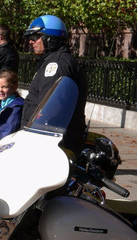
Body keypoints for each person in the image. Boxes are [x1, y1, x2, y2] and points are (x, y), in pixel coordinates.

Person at [21, 15, 88, 154]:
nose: (31, 42)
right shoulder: (55, 60)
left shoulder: (57, 64)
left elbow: (48, 109)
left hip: (49, 143)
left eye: (35, 37)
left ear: (50, 39)